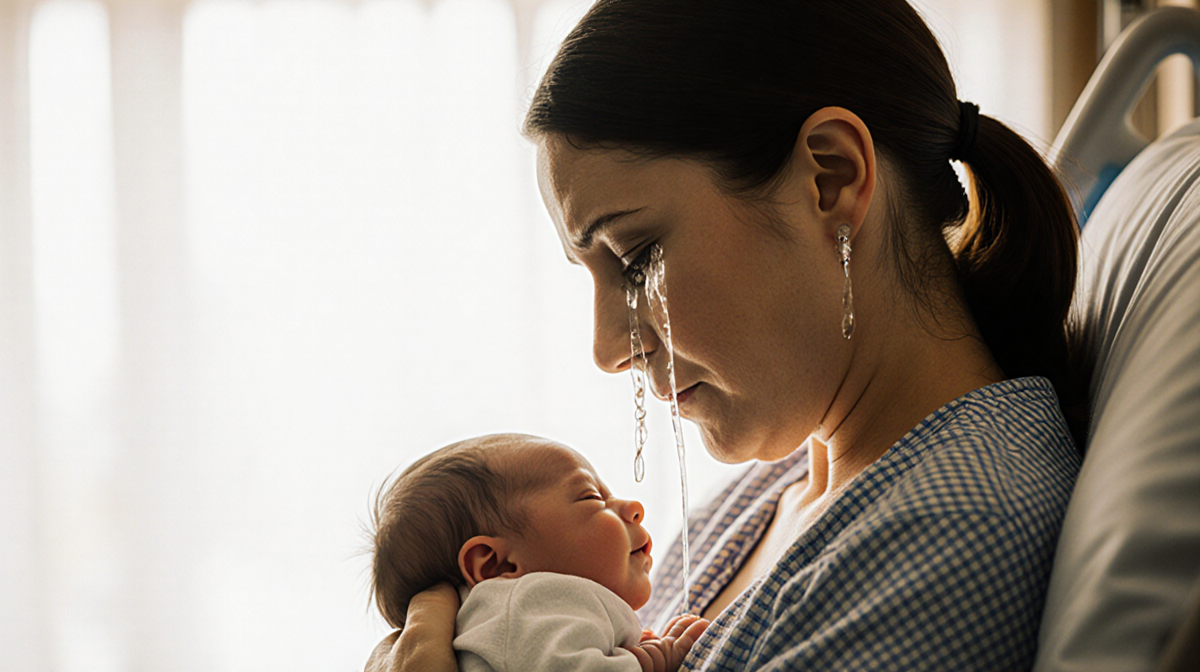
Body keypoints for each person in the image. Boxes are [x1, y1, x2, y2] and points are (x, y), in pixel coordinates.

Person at [367, 0, 1085, 669]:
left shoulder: (945, 543)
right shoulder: (782, 482)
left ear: (830, 177)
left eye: (637, 258)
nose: (608, 350)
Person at [369, 433, 709, 672]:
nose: (633, 507)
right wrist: (655, 658)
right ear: (495, 564)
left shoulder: (521, 620)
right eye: (591, 497)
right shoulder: (521, 603)